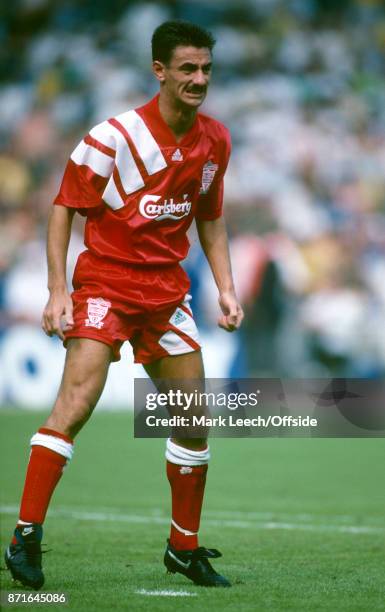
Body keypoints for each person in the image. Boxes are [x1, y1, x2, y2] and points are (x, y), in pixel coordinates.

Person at [4, 20, 243, 590]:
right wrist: (59, 290)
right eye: (188, 68)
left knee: (193, 421)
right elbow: (64, 206)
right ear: (159, 71)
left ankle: (183, 550)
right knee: (75, 406)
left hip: (165, 295)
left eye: (206, 68)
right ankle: (25, 537)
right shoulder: (113, 137)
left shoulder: (215, 140)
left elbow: (209, 216)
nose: (199, 78)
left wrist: (226, 286)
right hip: (106, 288)